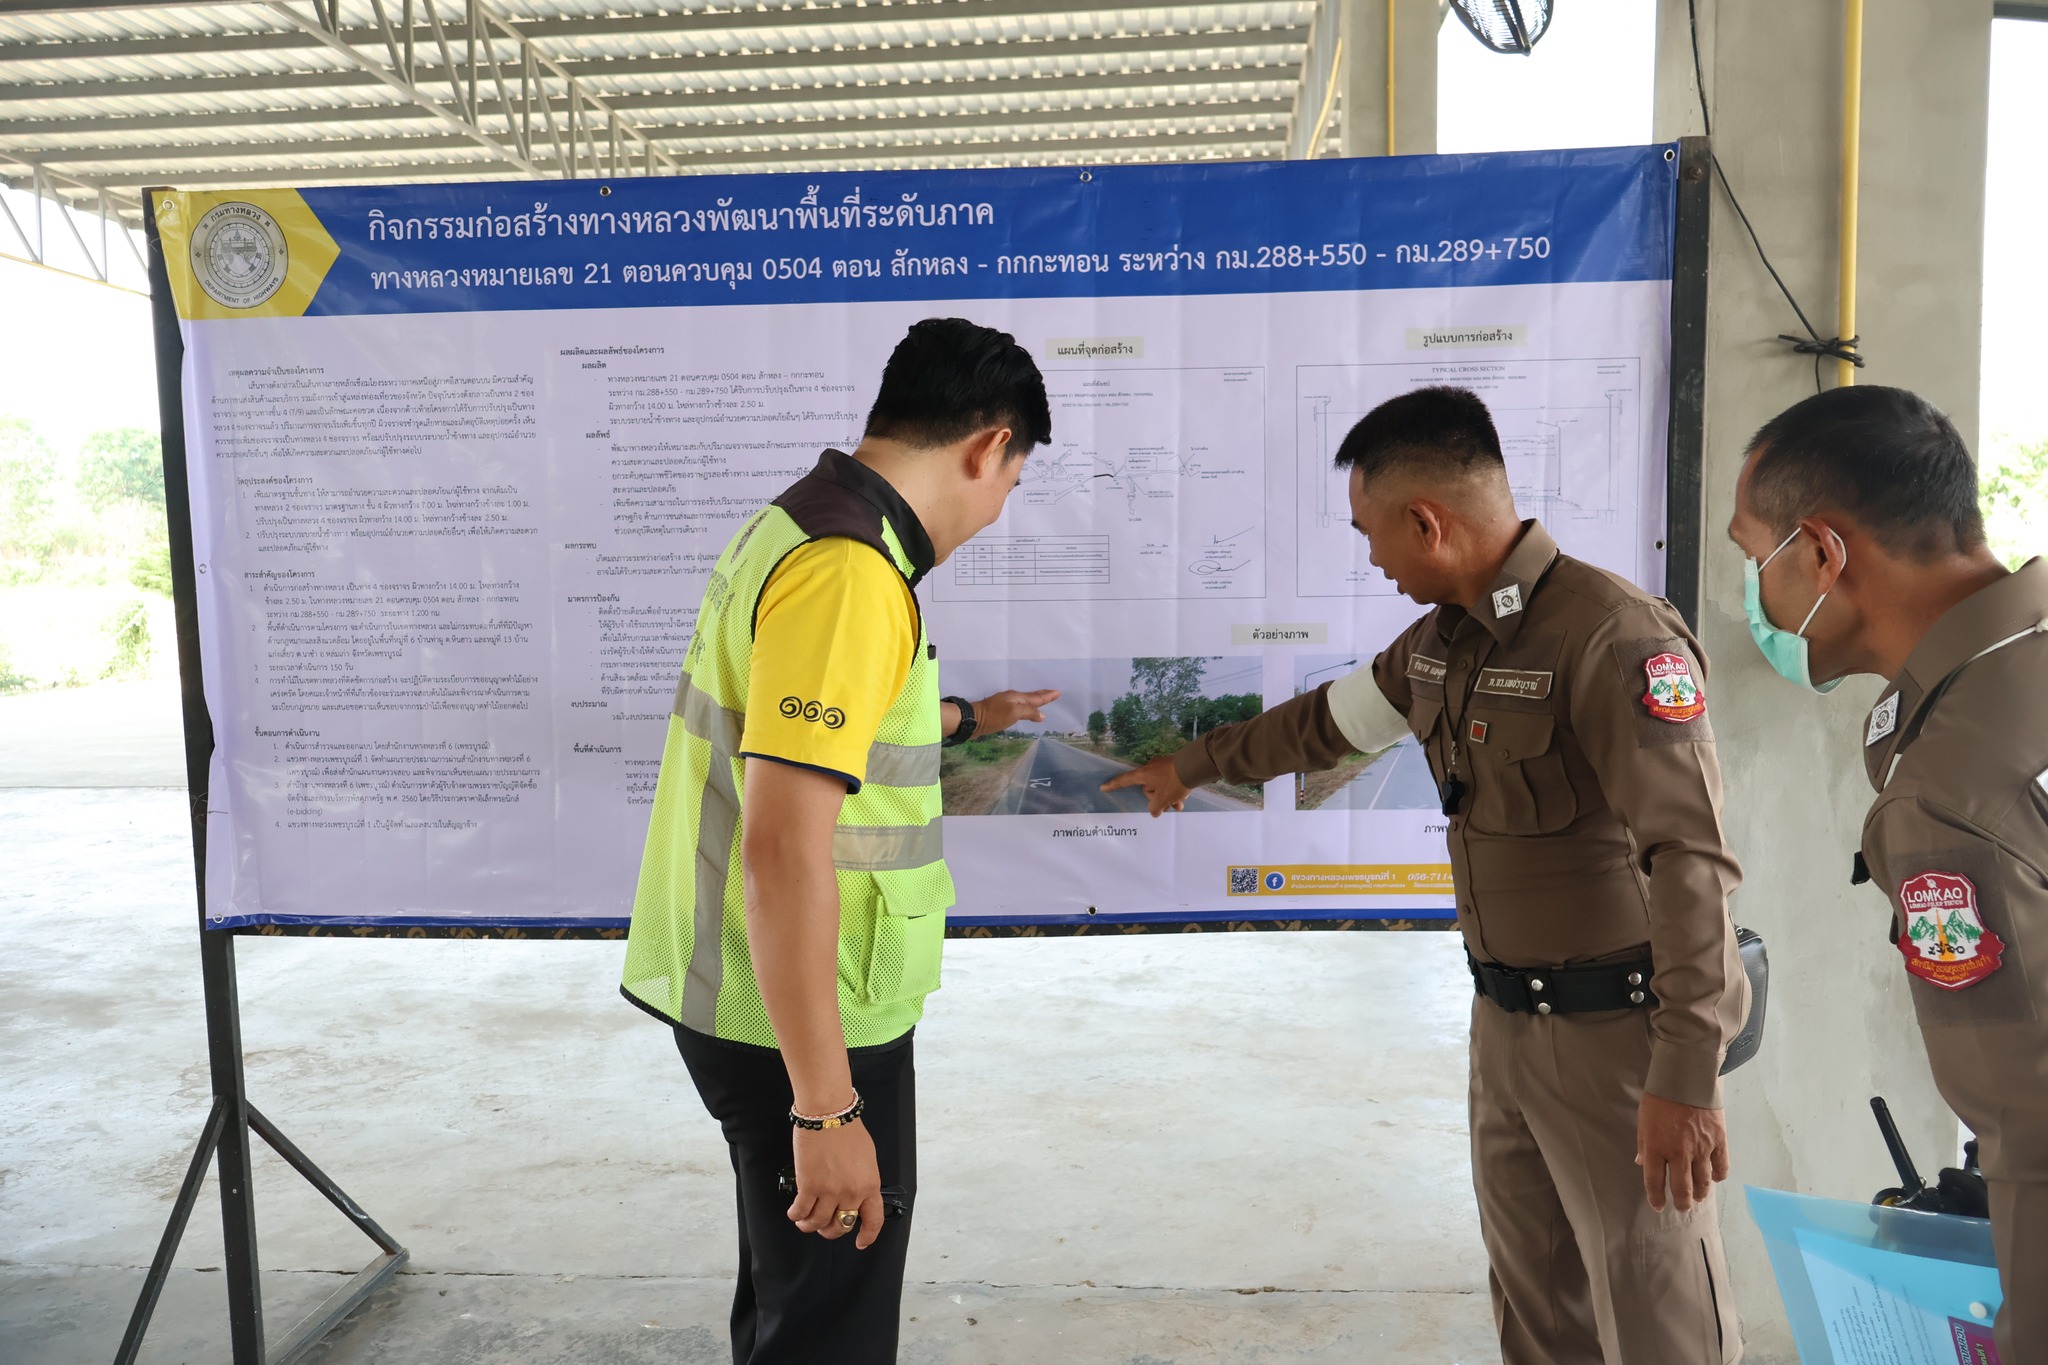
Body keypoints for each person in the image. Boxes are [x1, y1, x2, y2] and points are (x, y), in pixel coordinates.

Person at [1107, 385, 1749, 1364]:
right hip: (1504, 1028)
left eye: (1369, 533)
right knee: (1539, 1311)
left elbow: (1690, 856)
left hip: (1617, 1042)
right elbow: (1324, 723)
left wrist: (1686, 1072)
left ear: (1425, 521)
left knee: (1660, 1317)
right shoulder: (1443, 641)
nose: (1371, 557)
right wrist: (1190, 766)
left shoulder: (1612, 634)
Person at [620, 317, 1059, 1364]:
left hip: (769, 996)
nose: (999, 508)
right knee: (830, 1333)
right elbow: (782, 848)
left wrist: (968, 718)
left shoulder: (797, 525)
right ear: (989, 445)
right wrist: (824, 1110)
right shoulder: (849, 570)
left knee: (794, 1309)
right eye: (1014, 481)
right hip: (805, 1020)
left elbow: (821, 726)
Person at [1728, 384, 2045, 1363]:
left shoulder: (1944, 789)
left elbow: (2035, 1127)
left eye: (1753, 558)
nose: (1751, 596)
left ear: (1822, 554)